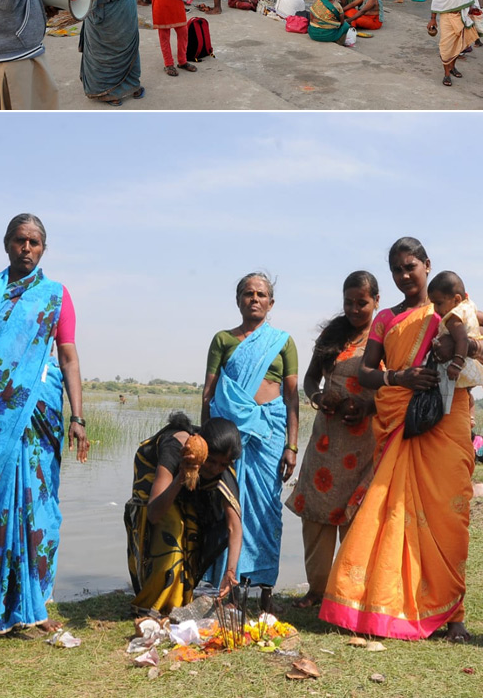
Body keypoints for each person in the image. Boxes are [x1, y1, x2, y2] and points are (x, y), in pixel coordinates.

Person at [320, 238, 473, 642]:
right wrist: (399, 377)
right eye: (397, 270)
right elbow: (368, 372)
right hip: (402, 420)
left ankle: (452, 613)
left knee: (449, 517)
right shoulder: (386, 318)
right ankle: (388, 604)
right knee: (391, 513)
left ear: (426, 264)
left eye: (410, 267)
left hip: (448, 421)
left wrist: (458, 346)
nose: (405, 276)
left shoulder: (454, 311)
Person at [0, 214, 89, 634]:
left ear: (44, 249)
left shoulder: (55, 296)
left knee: (40, 510)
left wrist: (77, 416)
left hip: (40, 416)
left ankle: (33, 605)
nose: (27, 248)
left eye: (35, 242)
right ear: (6, 244)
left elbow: (68, 358)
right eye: (20, 240)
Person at [201, 272, 300, 612]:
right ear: (238, 300)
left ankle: (266, 588)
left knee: (267, 511)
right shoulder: (223, 340)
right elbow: (209, 393)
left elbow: (291, 398)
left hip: (270, 433)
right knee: (231, 504)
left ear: (271, 303)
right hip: (230, 436)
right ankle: (231, 585)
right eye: (247, 293)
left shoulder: (283, 341)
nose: (254, 299)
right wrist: (205, 444)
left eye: (261, 294)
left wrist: (292, 445)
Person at [285, 271, 380, 609]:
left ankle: (347, 593)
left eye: (362, 303)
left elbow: (394, 386)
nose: (354, 309)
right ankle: (316, 590)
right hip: (326, 441)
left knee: (355, 518)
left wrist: (367, 405)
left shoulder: (385, 335)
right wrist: (318, 396)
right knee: (315, 518)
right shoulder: (333, 334)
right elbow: (310, 379)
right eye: (349, 302)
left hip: (364, 444)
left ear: (376, 301)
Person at [125, 411, 243, 614]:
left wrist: (230, 571)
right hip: (155, 489)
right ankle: (154, 602)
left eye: (223, 464)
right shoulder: (175, 449)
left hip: (187, 485)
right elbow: (154, 512)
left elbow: (234, 526)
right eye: (212, 462)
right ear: (204, 451)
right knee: (171, 528)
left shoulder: (223, 465)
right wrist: (181, 476)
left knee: (193, 530)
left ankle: (179, 601)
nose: (216, 469)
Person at [428, 0, 481, 86]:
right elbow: (437, 2)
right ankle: (446, 74)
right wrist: (433, 19)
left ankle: (452, 67)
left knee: (459, 45)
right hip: (446, 17)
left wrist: (474, 11)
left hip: (462, 16)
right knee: (445, 46)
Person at [427, 271, 483, 394]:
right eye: (433, 304)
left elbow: (462, 340)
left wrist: (457, 364)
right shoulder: (469, 305)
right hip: (472, 362)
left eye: (439, 303)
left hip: (458, 364)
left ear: (457, 299)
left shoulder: (452, 318)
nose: (436, 309)